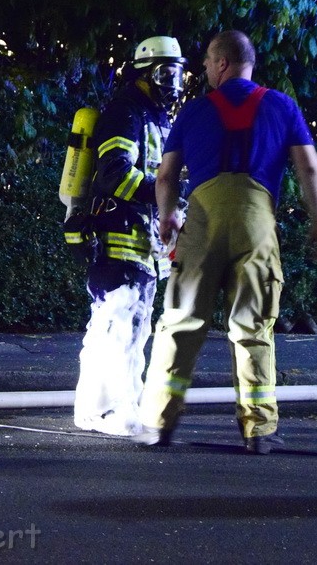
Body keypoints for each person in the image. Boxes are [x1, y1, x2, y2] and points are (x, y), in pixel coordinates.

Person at [136, 30, 317, 453]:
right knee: (253, 328)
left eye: (208, 61)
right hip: (256, 223)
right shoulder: (281, 106)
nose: (205, 68)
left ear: (223, 62)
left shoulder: (193, 112)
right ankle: (259, 431)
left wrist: (168, 215)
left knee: (180, 324)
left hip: (203, 222)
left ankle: (158, 424)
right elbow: (310, 170)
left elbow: (167, 175)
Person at [70, 36, 186, 437]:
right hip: (119, 235)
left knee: (134, 330)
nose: (173, 81)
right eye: (165, 72)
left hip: (143, 242)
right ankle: (101, 412)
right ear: (144, 72)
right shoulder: (126, 111)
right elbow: (114, 174)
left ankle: (120, 405)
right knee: (113, 326)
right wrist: (168, 193)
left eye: (178, 72)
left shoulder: (155, 114)